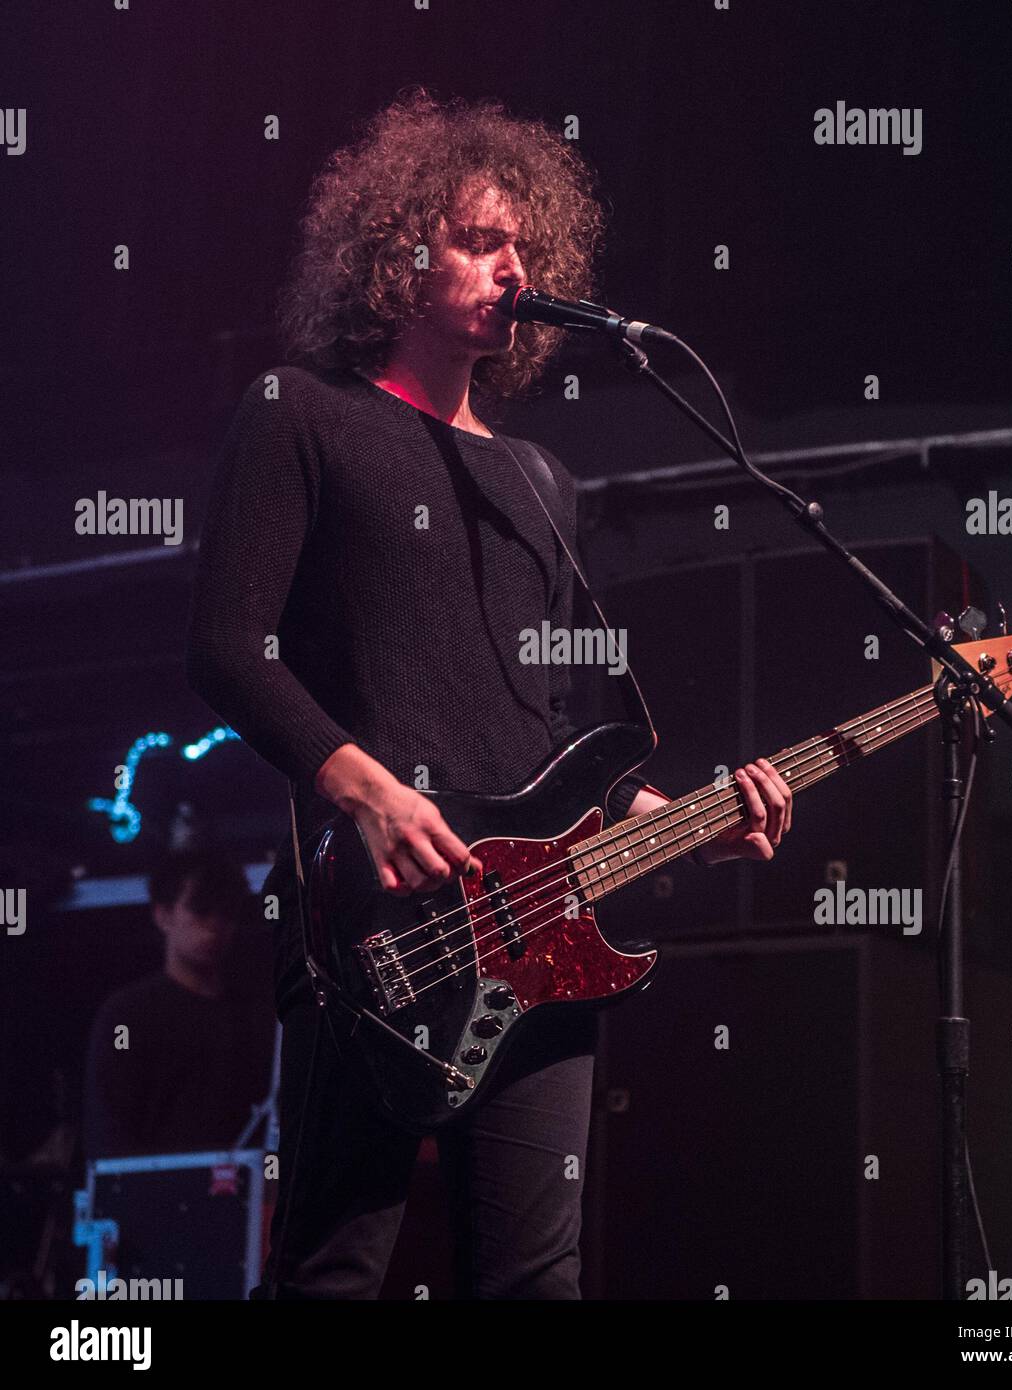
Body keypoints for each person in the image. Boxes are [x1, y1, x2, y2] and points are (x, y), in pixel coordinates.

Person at [185, 87, 792, 1300]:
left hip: (540, 931)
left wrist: (674, 821)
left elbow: (555, 732)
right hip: (368, 920)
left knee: (536, 1277)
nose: (510, 266)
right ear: (397, 253)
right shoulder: (301, 415)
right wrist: (360, 789)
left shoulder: (540, 479)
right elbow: (226, 648)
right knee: (332, 1270)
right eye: (476, 238)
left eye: (523, 244)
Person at [83, 849, 275, 1158]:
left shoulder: (255, 1015)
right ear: (163, 914)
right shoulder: (129, 1014)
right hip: (152, 1194)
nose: (214, 926)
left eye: (225, 913)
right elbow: (110, 1128)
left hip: (239, 1190)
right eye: (200, 911)